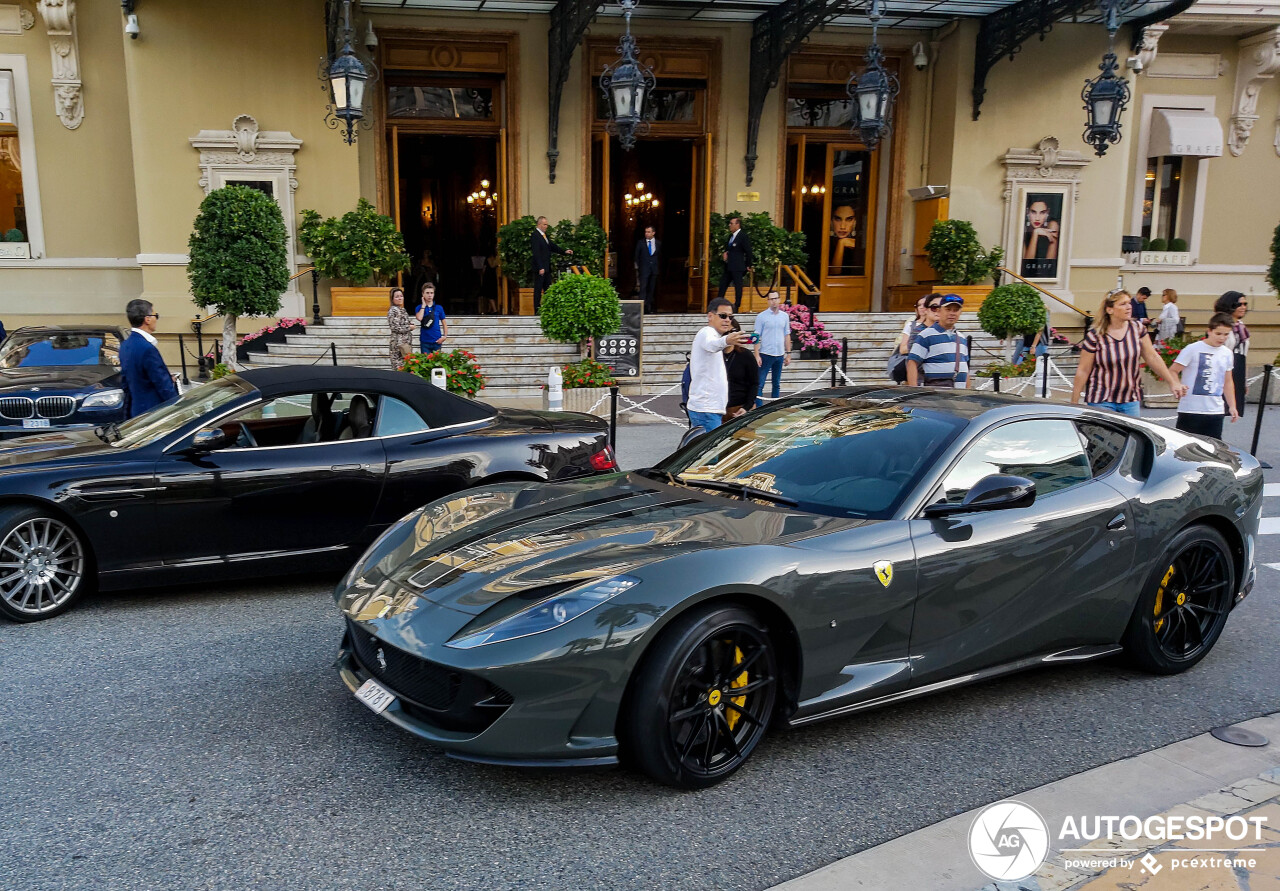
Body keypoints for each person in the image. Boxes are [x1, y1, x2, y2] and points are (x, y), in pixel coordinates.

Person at [1070, 290, 1186, 415]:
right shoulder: (1096, 335)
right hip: (1102, 399)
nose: (1128, 307)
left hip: (1130, 399)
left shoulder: (1137, 329)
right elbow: (1083, 370)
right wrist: (1074, 403)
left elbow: (1152, 357)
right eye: (1123, 304)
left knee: (1132, 434)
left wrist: (1172, 382)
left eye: (1129, 303)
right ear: (1110, 310)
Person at [1170, 312, 1239, 439]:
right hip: (1191, 409)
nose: (1222, 338)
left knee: (1213, 447)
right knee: (1186, 447)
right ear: (1209, 331)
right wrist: (1177, 385)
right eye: (1218, 334)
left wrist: (1232, 405)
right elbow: (1173, 370)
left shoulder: (1227, 353)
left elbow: (1228, 382)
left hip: (1215, 410)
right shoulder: (1192, 349)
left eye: (1226, 334)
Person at [687, 298, 742, 432]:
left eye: (730, 317)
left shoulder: (713, 335)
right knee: (711, 452)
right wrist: (727, 340)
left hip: (709, 409)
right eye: (723, 316)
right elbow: (711, 345)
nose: (727, 320)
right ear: (710, 316)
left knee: (705, 451)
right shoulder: (707, 332)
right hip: (706, 409)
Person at [119, 298, 178, 418]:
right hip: (153, 413)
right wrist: (178, 407)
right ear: (147, 319)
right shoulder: (147, 348)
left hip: (136, 411)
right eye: (155, 315)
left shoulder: (125, 345)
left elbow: (126, 383)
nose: (156, 319)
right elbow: (162, 385)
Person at [906, 293, 970, 389]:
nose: (952, 313)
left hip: (959, 395)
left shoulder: (961, 338)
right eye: (948, 309)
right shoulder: (925, 335)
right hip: (935, 394)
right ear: (939, 311)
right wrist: (913, 391)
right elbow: (912, 363)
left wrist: (968, 392)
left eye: (956, 310)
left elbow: (965, 368)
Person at [1214, 290, 1250, 417]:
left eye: (1245, 304)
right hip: (1223, 367)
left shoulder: (1241, 326)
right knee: (1219, 408)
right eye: (1239, 304)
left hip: (1238, 367)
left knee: (1232, 410)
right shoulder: (1221, 324)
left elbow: (1244, 353)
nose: (1243, 307)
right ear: (1230, 305)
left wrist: (1244, 380)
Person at [752, 292, 791, 406]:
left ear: (779, 300)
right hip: (766, 353)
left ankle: (774, 407)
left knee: (776, 383)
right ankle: (759, 407)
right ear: (768, 301)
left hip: (779, 353)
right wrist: (756, 354)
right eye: (771, 299)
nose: (774, 301)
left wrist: (788, 353)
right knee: (760, 383)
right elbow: (756, 335)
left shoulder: (784, 316)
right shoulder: (761, 316)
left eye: (776, 298)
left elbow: (787, 334)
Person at [531, 215, 571, 312]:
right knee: (538, 289)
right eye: (545, 224)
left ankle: (548, 309)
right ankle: (536, 310)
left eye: (547, 224)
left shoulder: (544, 236)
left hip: (547, 267)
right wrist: (540, 267)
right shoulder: (535, 236)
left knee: (548, 288)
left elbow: (552, 246)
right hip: (541, 268)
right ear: (539, 224)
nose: (546, 226)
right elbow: (536, 253)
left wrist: (564, 252)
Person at [723, 318, 759, 424]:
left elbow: (754, 383)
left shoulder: (746, 355)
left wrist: (747, 407)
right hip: (718, 410)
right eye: (726, 333)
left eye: (733, 332)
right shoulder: (714, 355)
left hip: (740, 408)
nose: (730, 336)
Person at [717, 217, 753, 312]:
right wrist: (726, 253)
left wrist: (748, 264)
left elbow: (748, 251)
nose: (729, 225)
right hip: (729, 266)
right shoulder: (730, 236)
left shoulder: (743, 236)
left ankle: (737, 305)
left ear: (737, 225)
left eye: (731, 223)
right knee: (723, 284)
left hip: (738, 266)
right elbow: (729, 249)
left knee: (738, 287)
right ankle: (717, 305)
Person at [1020, 198, 1059, 277]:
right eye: (1033, 212)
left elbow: (1049, 264)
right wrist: (1036, 233)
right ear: (1027, 212)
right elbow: (1027, 265)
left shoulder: (1052, 225)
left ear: (1047, 213)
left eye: (1042, 213)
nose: (1037, 218)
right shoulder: (1022, 228)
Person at [414, 281, 448, 355]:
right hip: (425, 341)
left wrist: (444, 336)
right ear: (423, 294)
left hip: (437, 340)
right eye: (427, 293)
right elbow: (419, 318)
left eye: (431, 293)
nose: (430, 295)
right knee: (426, 364)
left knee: (437, 364)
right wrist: (423, 305)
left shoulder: (439, 308)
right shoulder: (419, 307)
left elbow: (444, 323)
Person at [635, 225, 660, 313]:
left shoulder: (658, 243)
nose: (647, 234)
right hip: (644, 270)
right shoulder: (640, 243)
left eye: (649, 232)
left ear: (653, 233)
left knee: (652, 289)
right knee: (643, 288)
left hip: (654, 270)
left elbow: (661, 257)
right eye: (646, 232)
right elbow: (637, 257)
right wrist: (639, 267)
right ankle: (642, 308)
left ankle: (650, 307)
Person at [387, 287, 413, 369]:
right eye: (397, 296)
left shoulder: (402, 310)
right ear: (392, 299)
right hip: (398, 344)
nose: (399, 298)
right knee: (398, 367)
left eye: (401, 296)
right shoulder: (393, 311)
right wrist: (409, 327)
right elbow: (395, 327)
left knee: (407, 366)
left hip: (405, 343)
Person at [828, 204, 858, 275]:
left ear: (855, 222)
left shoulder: (863, 242)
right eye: (838, 219)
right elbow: (834, 275)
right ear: (831, 221)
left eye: (849, 219)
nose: (843, 226)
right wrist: (841, 243)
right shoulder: (825, 243)